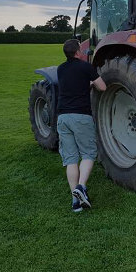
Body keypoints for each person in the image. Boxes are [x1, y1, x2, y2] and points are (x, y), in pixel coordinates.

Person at [56, 39, 106, 212]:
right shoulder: (85, 67)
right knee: (88, 154)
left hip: (62, 117)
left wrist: (87, 84)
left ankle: (75, 202)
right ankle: (81, 187)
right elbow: (103, 86)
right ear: (78, 52)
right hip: (80, 116)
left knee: (70, 159)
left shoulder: (60, 69)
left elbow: (72, 85)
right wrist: (92, 82)